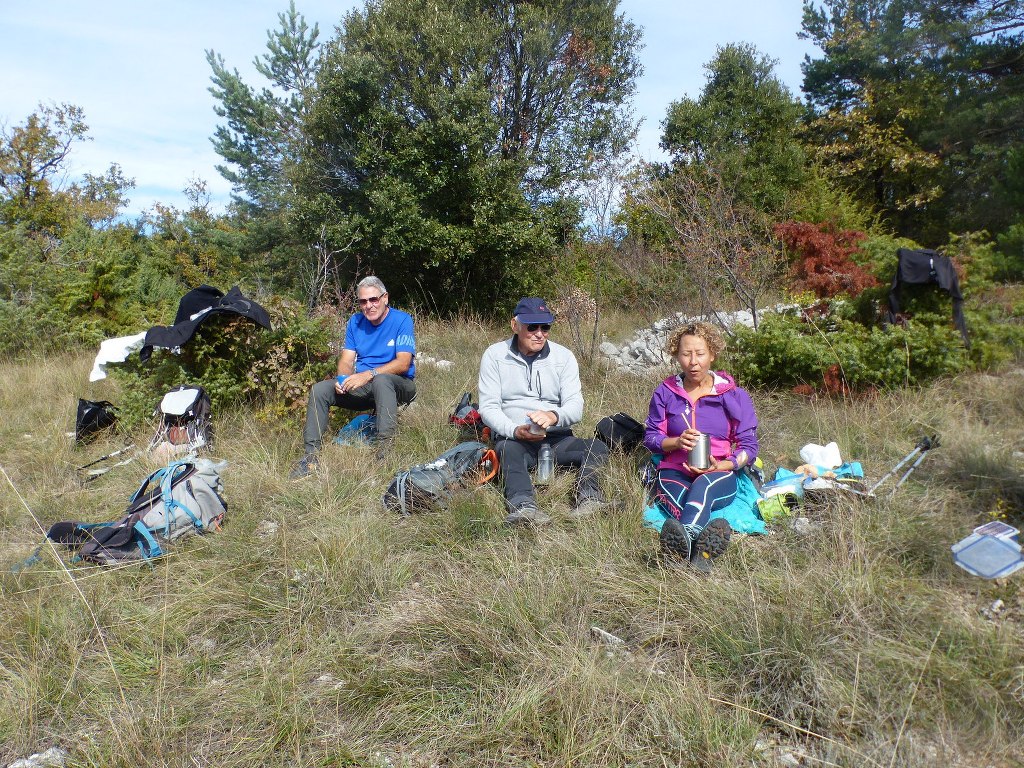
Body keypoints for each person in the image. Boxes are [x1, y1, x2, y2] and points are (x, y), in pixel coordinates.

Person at [478, 297, 611, 525]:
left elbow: (575, 405)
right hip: (515, 440)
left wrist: (554, 416)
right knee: (506, 450)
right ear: (515, 325)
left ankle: (589, 499)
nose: (539, 333)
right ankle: (524, 507)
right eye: (532, 327)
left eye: (545, 327)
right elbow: (488, 407)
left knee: (596, 447)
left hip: (557, 439)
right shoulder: (494, 355)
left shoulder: (564, 357)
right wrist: (514, 430)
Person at [644, 321, 758, 571]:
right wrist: (675, 441)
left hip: (718, 471)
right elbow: (651, 437)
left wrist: (726, 463)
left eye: (700, 354)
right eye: (686, 354)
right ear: (676, 355)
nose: (693, 362)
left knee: (703, 488)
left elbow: (749, 447)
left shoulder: (733, 395)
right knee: (682, 498)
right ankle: (700, 556)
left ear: (713, 354)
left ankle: (679, 550)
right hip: (674, 469)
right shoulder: (665, 392)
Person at [290, 276, 416, 478]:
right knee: (320, 390)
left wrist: (368, 374)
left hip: (399, 385)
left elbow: (403, 363)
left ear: (385, 298)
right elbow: (347, 360)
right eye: (363, 301)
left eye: (373, 299)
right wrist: (342, 379)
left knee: (382, 381)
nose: (369, 306)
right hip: (365, 385)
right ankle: (311, 458)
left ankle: (385, 454)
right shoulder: (355, 322)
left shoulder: (402, 320)